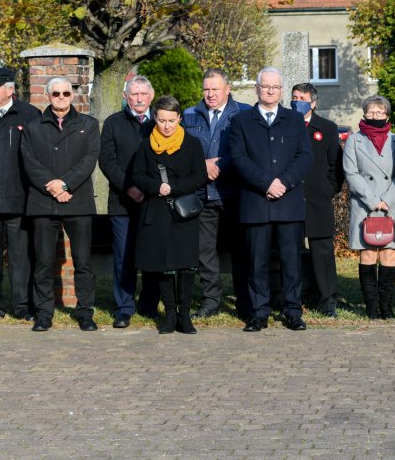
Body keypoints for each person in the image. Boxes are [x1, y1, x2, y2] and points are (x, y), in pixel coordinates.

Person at [229, 67, 313, 332]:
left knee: (291, 261)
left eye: (275, 87)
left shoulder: (294, 120)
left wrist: (283, 183)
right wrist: (265, 183)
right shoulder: (241, 121)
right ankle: (258, 312)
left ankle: (292, 311)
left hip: (288, 202)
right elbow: (238, 158)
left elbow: (305, 157)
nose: (270, 91)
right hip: (256, 201)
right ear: (257, 88)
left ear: (281, 91)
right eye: (266, 86)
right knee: (257, 261)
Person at [21, 77, 101, 332]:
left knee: (83, 261)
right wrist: (53, 186)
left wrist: (64, 185)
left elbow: (89, 159)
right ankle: (44, 312)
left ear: (73, 95)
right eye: (56, 93)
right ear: (48, 95)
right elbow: (29, 161)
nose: (61, 97)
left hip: (78, 201)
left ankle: (85, 311)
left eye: (66, 93)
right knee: (43, 261)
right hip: (43, 202)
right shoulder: (33, 127)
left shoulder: (88, 125)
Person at [129, 96, 208, 334]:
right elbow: (137, 175)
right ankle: (170, 314)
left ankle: (185, 315)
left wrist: (174, 187)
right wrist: (155, 187)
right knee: (163, 266)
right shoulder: (145, 145)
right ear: (155, 118)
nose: (166, 126)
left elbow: (199, 176)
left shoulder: (192, 143)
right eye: (162, 120)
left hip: (183, 212)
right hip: (157, 210)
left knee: (186, 265)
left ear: (179, 119)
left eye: (171, 121)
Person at [182, 68, 251, 320]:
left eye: (215, 89)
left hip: (233, 192)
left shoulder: (243, 113)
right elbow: (184, 149)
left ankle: (245, 300)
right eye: (206, 89)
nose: (210, 94)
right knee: (204, 251)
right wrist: (203, 166)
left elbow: (246, 149)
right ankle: (211, 299)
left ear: (228, 89)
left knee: (241, 249)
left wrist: (220, 164)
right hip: (202, 193)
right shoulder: (189, 114)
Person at [0, 67, 40, 324]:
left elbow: (38, 156)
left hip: (19, 198)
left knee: (21, 257)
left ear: (10, 89)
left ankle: (22, 305)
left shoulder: (29, 115)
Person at [98, 75, 156, 328]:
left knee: (153, 253)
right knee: (123, 256)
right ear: (125, 96)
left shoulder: (161, 121)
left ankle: (150, 303)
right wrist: (129, 187)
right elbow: (107, 161)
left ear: (151, 96)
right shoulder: (113, 123)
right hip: (122, 201)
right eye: (134, 94)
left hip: (154, 201)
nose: (139, 98)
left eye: (143, 93)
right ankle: (124, 306)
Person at [343, 95, 395, 319]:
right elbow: (351, 172)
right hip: (364, 205)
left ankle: (386, 307)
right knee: (367, 254)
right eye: (371, 112)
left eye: (380, 112)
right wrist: (372, 200)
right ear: (364, 113)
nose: (375, 116)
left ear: (387, 115)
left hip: (391, 204)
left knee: (388, 254)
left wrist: (387, 199)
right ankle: (371, 307)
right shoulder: (353, 140)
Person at [292, 83, 344, 317]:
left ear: (313, 102)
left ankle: (327, 301)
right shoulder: (284, 124)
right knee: (289, 252)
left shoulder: (327, 128)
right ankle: (293, 298)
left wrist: (328, 189)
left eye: (302, 98)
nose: (297, 101)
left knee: (322, 253)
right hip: (289, 199)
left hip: (317, 200)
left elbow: (336, 165)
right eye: (294, 97)